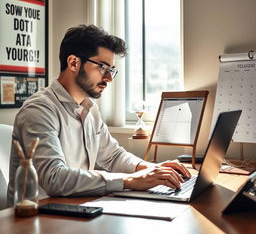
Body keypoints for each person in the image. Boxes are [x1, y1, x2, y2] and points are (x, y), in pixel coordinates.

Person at [8, 24, 190, 205]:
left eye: (111, 70)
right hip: (36, 220)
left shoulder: (90, 109)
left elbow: (113, 156)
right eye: (102, 67)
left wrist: (151, 169)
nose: (109, 78)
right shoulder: (39, 110)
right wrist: (130, 181)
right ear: (73, 63)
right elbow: (54, 177)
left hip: (74, 210)